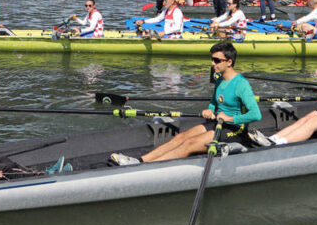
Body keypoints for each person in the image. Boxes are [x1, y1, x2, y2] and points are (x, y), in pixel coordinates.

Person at [110, 42, 260, 165]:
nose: (212, 63)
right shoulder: (220, 80)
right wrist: (209, 110)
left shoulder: (241, 84)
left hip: (235, 130)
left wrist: (228, 119)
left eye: (216, 60)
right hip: (218, 123)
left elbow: (255, 114)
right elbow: (214, 102)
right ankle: (139, 161)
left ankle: (146, 168)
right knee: (181, 138)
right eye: (212, 59)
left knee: (189, 145)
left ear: (229, 62)